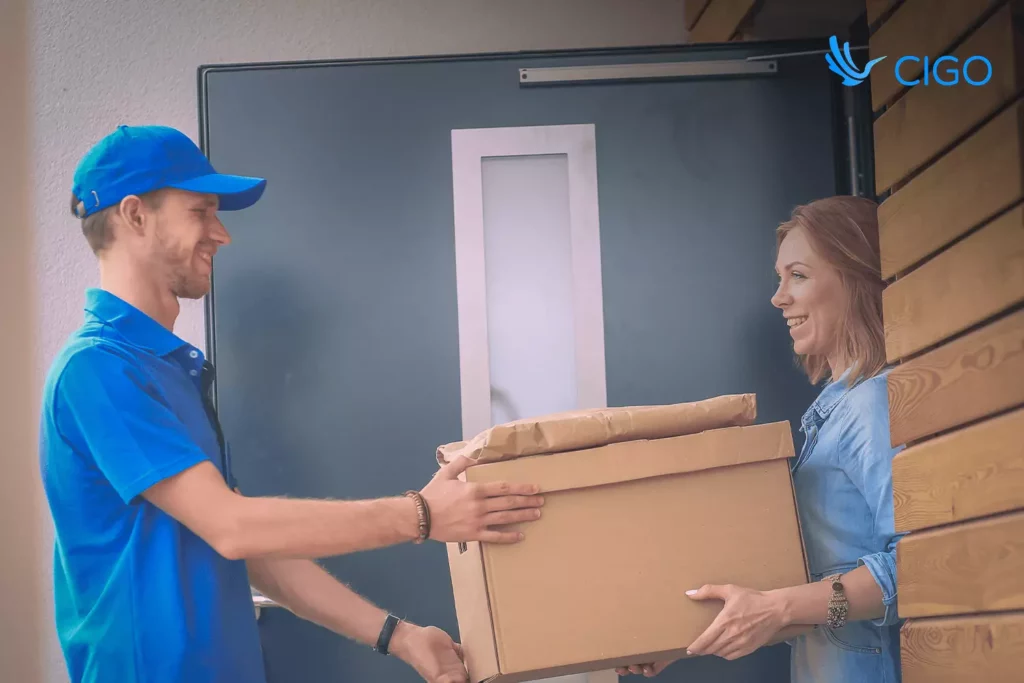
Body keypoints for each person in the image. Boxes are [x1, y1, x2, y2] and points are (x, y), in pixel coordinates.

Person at [39, 124, 546, 683]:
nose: (221, 234)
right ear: (135, 215)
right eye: (200, 211)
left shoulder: (166, 371)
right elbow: (233, 527)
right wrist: (420, 515)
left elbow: (248, 549)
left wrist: (398, 636)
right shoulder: (100, 369)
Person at [617, 196, 903, 682]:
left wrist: (780, 607)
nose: (778, 297)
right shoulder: (832, 417)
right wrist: (691, 631)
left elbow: (916, 569)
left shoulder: (871, 407)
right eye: (779, 278)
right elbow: (807, 594)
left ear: (855, 278)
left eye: (798, 275)